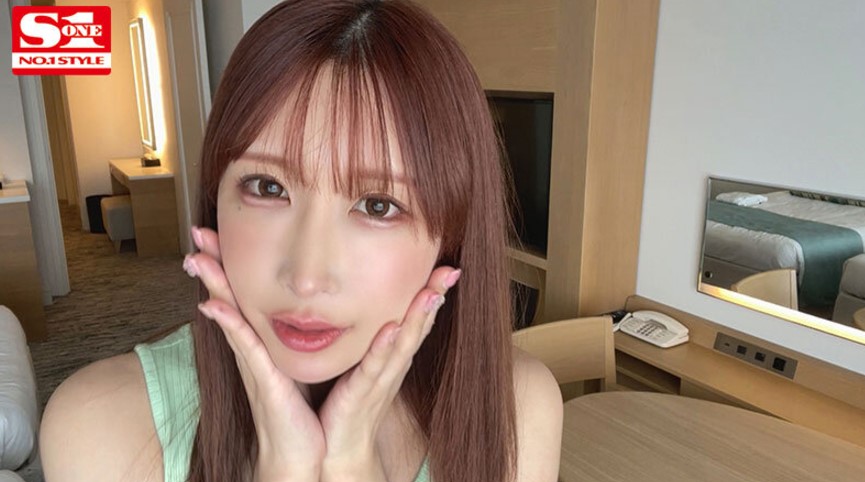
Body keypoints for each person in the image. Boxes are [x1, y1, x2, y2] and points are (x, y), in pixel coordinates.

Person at [39, 1, 563, 481]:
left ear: (451, 235)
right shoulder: (101, 426)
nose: (307, 277)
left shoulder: (515, 410)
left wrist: (352, 465)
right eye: (268, 187)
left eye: (378, 206)